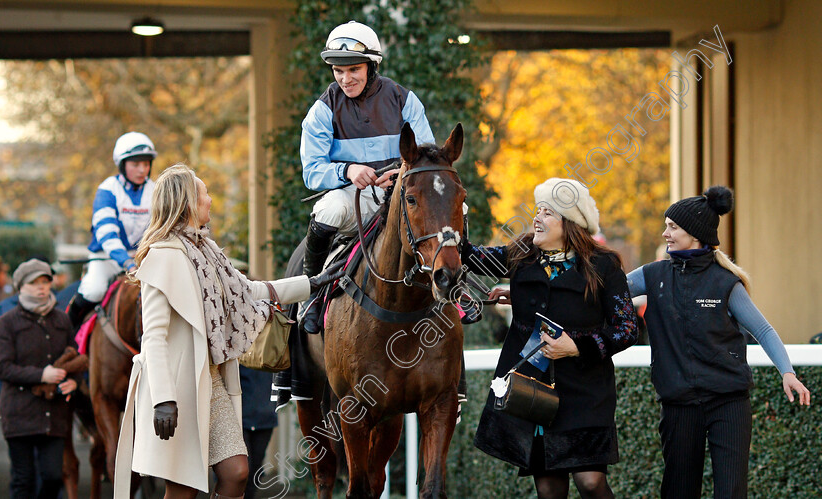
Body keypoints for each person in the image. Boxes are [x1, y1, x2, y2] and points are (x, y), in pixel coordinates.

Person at [113, 164, 341, 499]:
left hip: (214, 380)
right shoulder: (161, 257)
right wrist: (163, 399)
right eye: (204, 194)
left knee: (236, 472)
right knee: (183, 489)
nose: (210, 201)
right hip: (178, 388)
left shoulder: (209, 252)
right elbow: (154, 337)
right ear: (189, 202)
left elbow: (248, 290)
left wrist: (311, 283)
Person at [626, 185, 811, 499]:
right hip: (679, 405)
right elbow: (601, 291)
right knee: (679, 492)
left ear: (695, 233)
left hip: (729, 402)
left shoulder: (726, 282)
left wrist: (787, 372)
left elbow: (763, 331)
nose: (664, 233)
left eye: (672, 227)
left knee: (731, 492)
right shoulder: (652, 275)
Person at [467, 178, 639, 499]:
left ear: (570, 223)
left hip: (587, 391)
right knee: (549, 489)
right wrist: (449, 227)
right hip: (536, 393)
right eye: (537, 210)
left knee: (591, 482)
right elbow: (474, 258)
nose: (537, 218)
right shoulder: (521, 256)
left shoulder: (603, 265)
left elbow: (627, 328)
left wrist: (576, 346)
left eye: (548, 212)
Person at [297, 20, 436, 335]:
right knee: (328, 210)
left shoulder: (403, 99)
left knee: (457, 210)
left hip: (399, 192)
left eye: (353, 70)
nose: (345, 79)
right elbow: (311, 171)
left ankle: (456, 288)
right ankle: (314, 294)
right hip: (350, 195)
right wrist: (347, 170)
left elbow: (426, 153)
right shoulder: (322, 110)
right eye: (338, 71)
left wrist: (402, 175)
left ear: (372, 66)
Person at [0, 259, 79, 499]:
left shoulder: (62, 320)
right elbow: (1, 367)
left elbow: (73, 358)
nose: (42, 287)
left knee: (52, 477)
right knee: (24, 480)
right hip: (19, 414)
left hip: (54, 415)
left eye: (46, 281)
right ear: (21, 286)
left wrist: (74, 382)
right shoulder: (7, 322)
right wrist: (41, 375)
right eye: (34, 282)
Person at [67, 131, 158, 328]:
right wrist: (126, 262)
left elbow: (160, 229)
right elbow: (106, 233)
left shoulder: (156, 190)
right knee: (94, 290)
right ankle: (68, 335)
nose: (142, 169)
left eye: (146, 164)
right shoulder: (108, 189)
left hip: (142, 258)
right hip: (107, 258)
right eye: (135, 164)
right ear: (122, 165)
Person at [239, 366, 278, 499]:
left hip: (265, 418)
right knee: (239, 473)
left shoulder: (272, 348)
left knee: (255, 473)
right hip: (239, 418)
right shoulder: (237, 348)